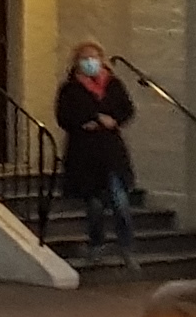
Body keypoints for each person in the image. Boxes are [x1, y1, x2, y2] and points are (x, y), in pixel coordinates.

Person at [55, 42, 142, 270]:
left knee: (120, 201)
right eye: (85, 58)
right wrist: (90, 119)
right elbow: (64, 116)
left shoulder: (113, 85)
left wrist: (113, 120)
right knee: (94, 206)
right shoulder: (70, 89)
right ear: (77, 62)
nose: (90, 62)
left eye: (94, 57)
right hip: (85, 155)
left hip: (111, 153)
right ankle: (96, 244)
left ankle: (126, 247)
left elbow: (126, 109)